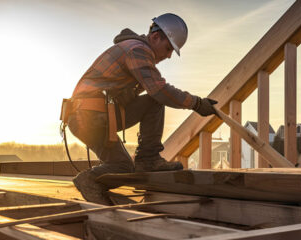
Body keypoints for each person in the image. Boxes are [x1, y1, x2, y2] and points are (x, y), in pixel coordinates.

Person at [63, 13, 217, 205]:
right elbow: (159, 90)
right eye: (168, 48)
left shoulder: (133, 51)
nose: (169, 55)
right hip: (90, 117)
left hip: (92, 118)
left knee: (122, 166)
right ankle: (146, 159)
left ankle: (93, 181)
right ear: (155, 37)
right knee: (155, 100)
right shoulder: (137, 50)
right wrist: (196, 103)